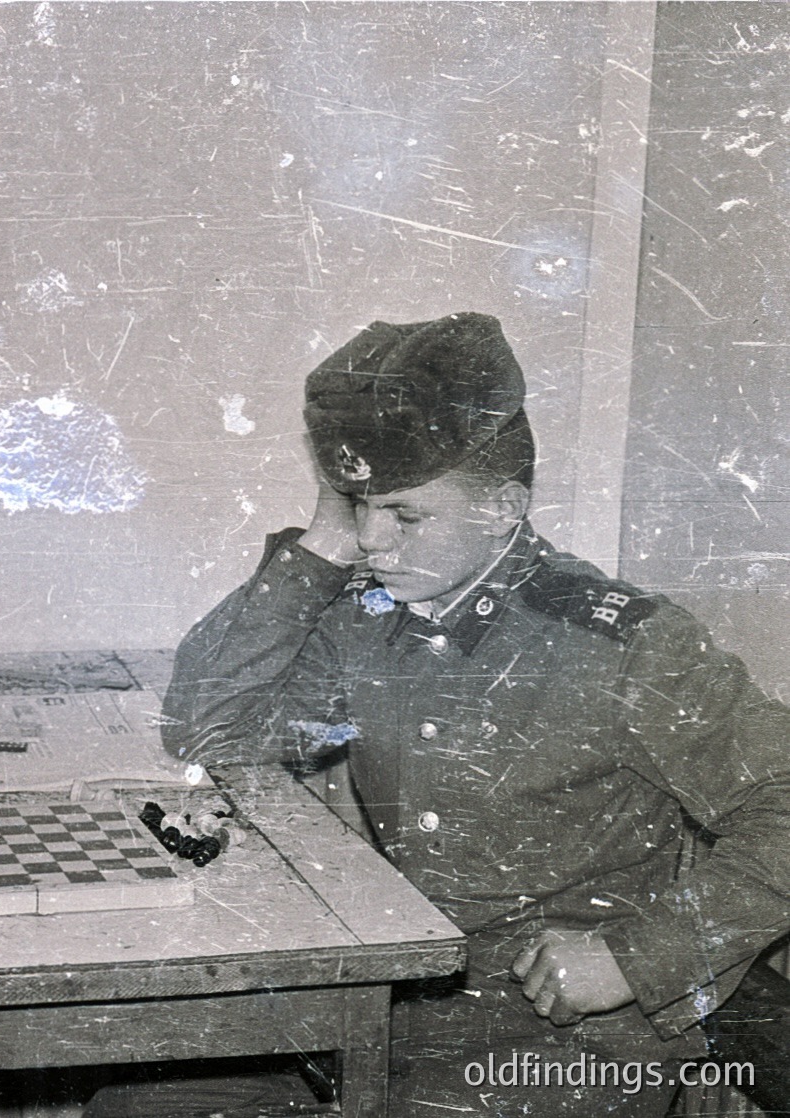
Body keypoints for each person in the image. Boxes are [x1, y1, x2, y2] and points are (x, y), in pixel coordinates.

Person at [97, 312, 790, 1117]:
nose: (373, 540)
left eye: (405, 515)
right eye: (358, 506)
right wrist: (323, 537)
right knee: (137, 1107)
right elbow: (208, 730)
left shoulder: (623, 645)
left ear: (503, 506)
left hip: (555, 1050)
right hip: (385, 1020)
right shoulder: (371, 613)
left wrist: (635, 959)